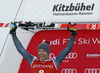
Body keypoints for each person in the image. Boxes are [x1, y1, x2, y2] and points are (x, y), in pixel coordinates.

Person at [10, 22, 77, 73]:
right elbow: (21, 50)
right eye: (39, 51)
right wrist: (13, 34)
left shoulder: (54, 61)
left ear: (48, 52)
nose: (41, 53)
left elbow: (66, 50)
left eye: (43, 51)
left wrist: (73, 34)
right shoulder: (33, 60)